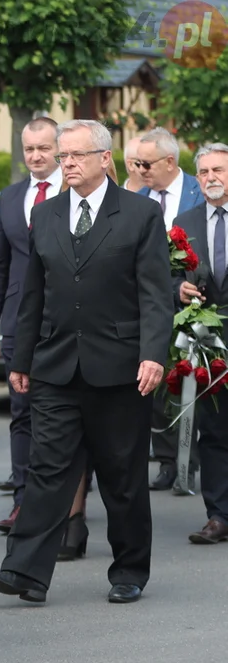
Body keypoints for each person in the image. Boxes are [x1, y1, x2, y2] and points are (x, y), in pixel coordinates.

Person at [0, 119, 173, 605]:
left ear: (104, 158)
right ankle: (24, 571)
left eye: (75, 156)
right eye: (62, 156)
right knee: (46, 470)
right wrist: (22, 358)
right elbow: (33, 295)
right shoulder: (45, 215)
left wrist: (153, 354)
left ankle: (129, 570)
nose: (65, 164)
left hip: (120, 366)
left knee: (121, 475)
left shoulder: (139, 215)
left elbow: (155, 295)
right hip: (56, 364)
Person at [0, 117, 64, 529]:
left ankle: (64, 506)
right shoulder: (10, 196)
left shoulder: (76, 193)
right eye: (29, 149)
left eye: (43, 148)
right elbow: (0, 267)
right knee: (21, 413)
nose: (36, 156)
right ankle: (22, 502)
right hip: (18, 323)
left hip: (65, 321)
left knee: (64, 415)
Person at [135, 127, 204, 491]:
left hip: (201, 303)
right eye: (136, 163)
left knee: (201, 382)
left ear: (170, 162)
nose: (141, 170)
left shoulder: (199, 192)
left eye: (146, 164)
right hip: (155, 303)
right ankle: (167, 461)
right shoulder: (138, 198)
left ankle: (198, 458)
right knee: (161, 383)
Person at [173, 142, 228, 544]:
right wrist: (179, 289)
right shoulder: (185, 220)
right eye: (205, 172)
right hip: (208, 342)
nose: (212, 178)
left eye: (220, 170)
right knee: (213, 429)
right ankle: (218, 515)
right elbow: (167, 271)